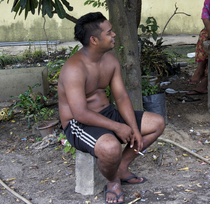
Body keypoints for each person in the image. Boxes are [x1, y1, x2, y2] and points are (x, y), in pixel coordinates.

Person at [58, 13, 165, 203]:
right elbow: (80, 113)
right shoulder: (74, 68)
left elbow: (122, 97)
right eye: (109, 32)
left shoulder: (110, 60)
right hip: (79, 124)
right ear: (94, 40)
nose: (114, 34)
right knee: (110, 148)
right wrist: (117, 127)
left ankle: (122, 166)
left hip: (106, 114)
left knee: (157, 123)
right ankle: (113, 180)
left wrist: (132, 128)